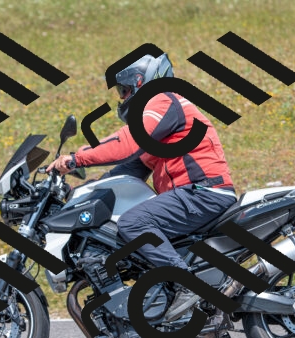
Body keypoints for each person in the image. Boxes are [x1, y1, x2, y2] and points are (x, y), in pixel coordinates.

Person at [46, 53, 236, 321]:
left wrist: (77, 158)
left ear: (141, 82)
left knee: (133, 223)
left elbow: (127, 143)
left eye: (124, 90)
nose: (123, 98)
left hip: (202, 192)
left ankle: (187, 286)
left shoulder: (165, 101)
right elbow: (127, 171)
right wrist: (79, 195)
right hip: (191, 194)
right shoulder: (159, 124)